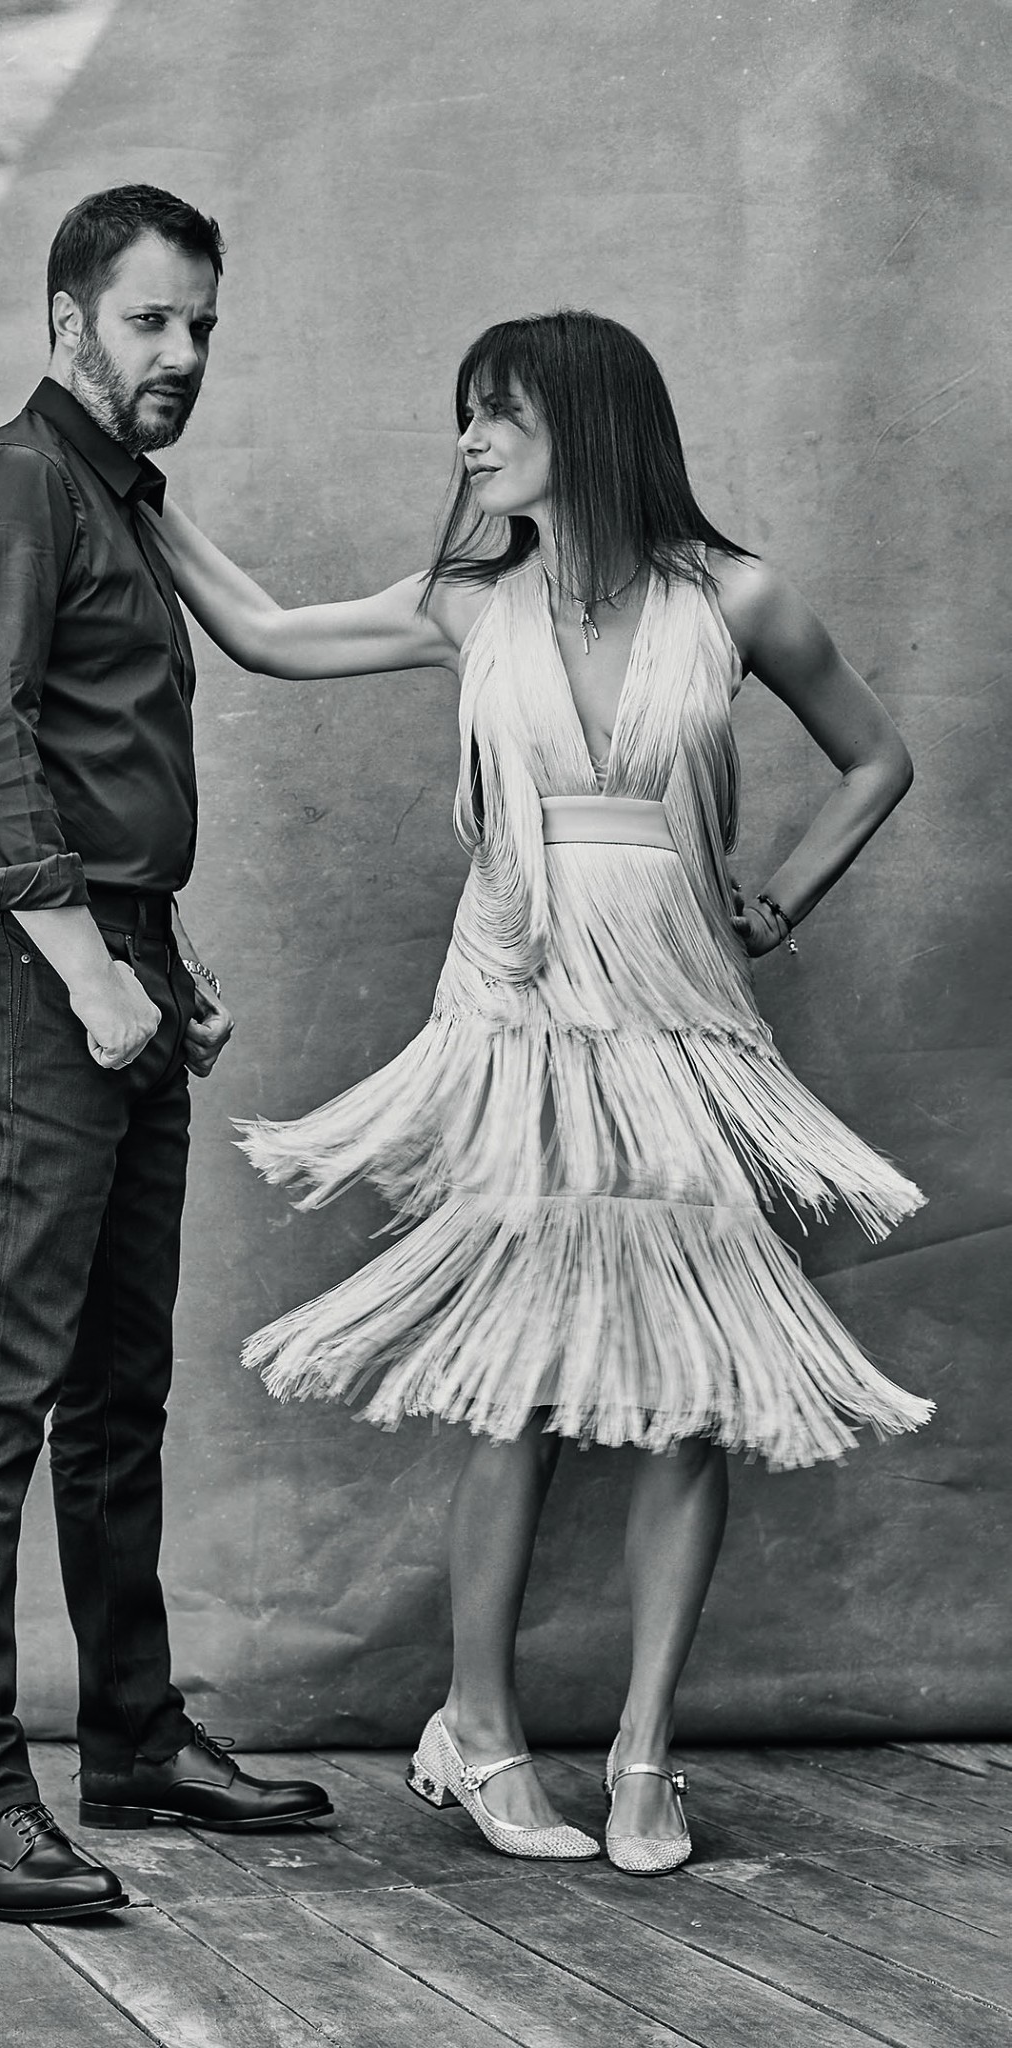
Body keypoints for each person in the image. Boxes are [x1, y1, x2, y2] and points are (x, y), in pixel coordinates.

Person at [149, 310, 929, 1876]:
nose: (469, 439)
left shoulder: (736, 597)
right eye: (465, 414)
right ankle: (480, 1728)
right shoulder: (467, 601)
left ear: (591, 419)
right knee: (525, 1390)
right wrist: (139, 493)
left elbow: (877, 758)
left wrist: (774, 906)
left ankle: (645, 1759)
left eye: (499, 411)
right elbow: (266, 632)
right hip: (521, 1024)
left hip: (681, 1027)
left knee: (691, 1397)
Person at [0, 185, 332, 1926]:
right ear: (68, 319)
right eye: (152, 321)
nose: (184, 354)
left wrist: (164, 950)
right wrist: (93, 969)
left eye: (202, 326)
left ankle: (137, 1739)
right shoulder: (15, 483)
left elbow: (105, 764)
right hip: (34, 968)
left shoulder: (119, 501)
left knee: (116, 1387)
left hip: (116, 952)